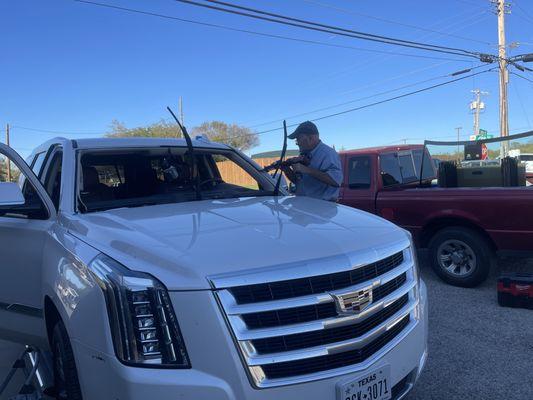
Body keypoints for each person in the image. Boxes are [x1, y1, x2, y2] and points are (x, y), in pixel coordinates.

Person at [281, 121, 343, 202]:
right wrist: (286, 169)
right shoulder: (304, 155)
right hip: (305, 206)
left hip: (323, 209)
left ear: (311, 138)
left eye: (298, 139)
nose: (297, 143)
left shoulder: (328, 153)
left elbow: (336, 181)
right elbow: (299, 182)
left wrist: (307, 170)